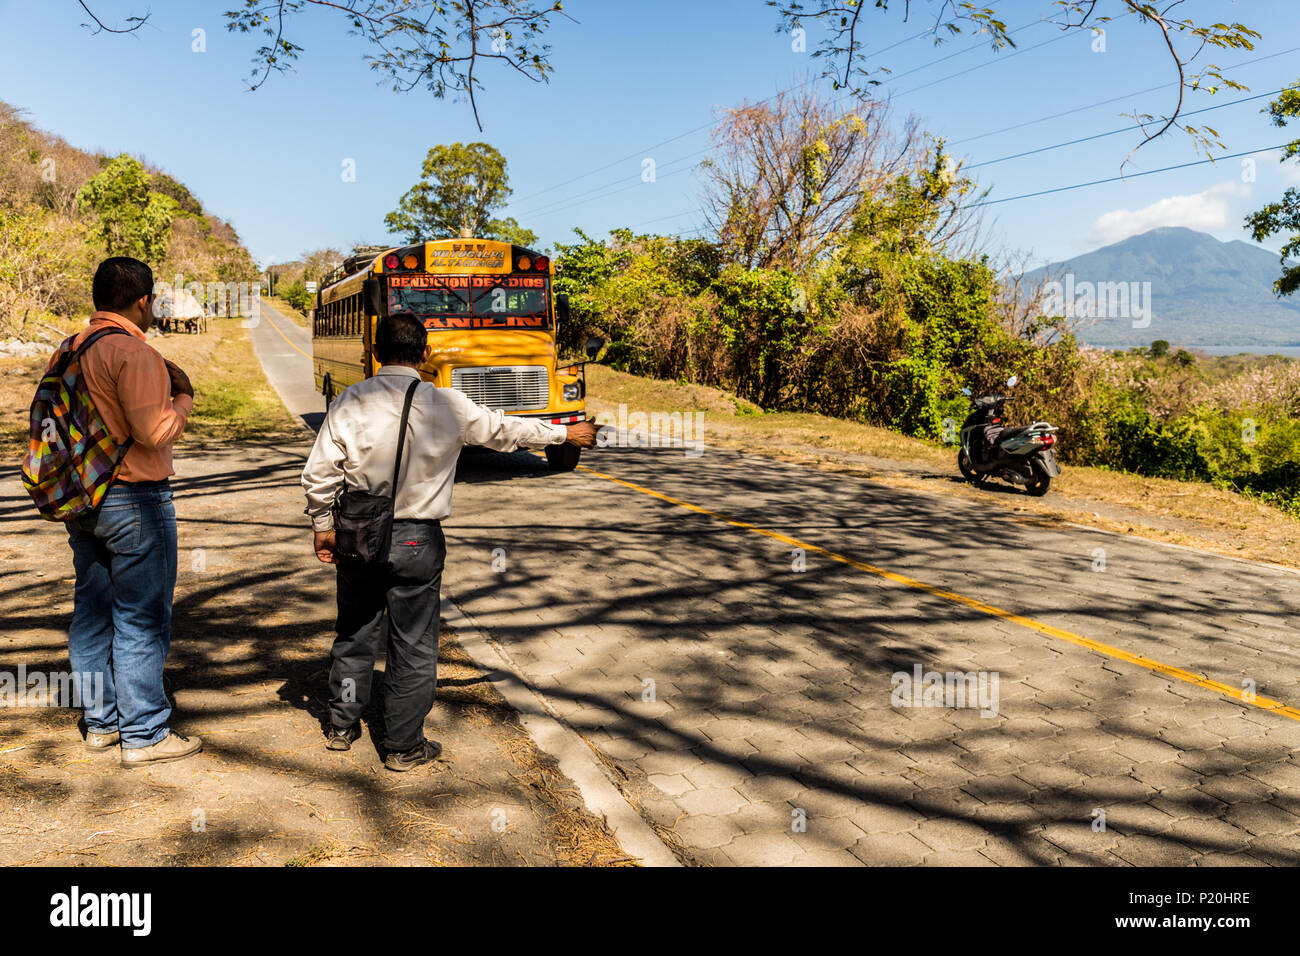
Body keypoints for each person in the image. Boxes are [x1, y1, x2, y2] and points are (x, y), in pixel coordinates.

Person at [301, 312, 599, 771]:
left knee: (356, 631)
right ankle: (402, 747)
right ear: (425, 355)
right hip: (417, 540)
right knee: (413, 644)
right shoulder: (449, 405)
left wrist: (324, 525)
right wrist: (566, 433)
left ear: (376, 353)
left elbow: (320, 475)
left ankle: (342, 725)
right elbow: (508, 431)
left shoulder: (349, 401)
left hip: (358, 534)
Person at [62, 256, 202, 767]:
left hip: (83, 497)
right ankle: (144, 733)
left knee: (93, 612)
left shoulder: (71, 348)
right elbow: (154, 431)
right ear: (143, 300)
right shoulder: (135, 352)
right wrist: (183, 398)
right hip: (136, 501)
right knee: (142, 617)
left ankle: (101, 723)